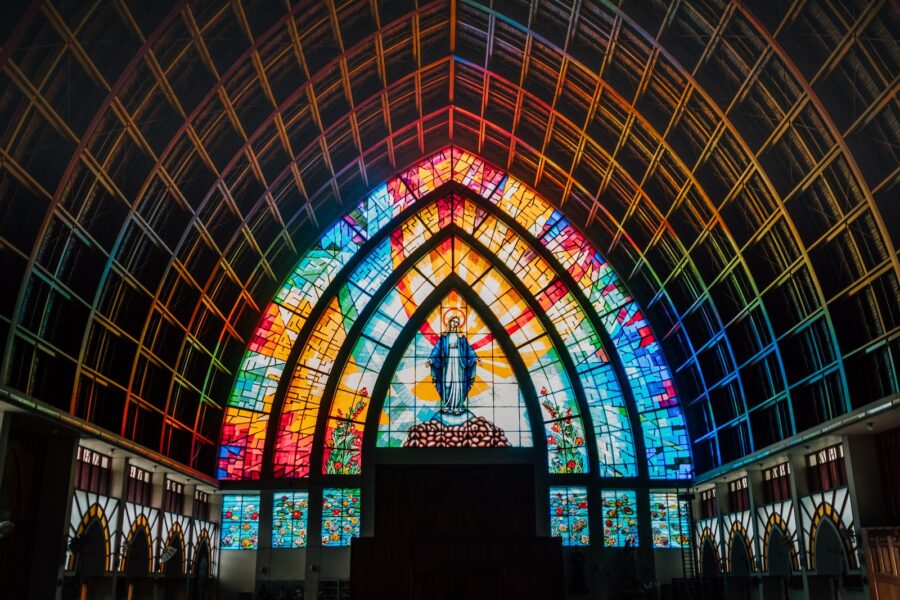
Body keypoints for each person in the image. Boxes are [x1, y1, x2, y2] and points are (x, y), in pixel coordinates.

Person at [426, 315, 478, 415]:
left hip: (459, 362)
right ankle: (447, 404)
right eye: (453, 321)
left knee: (458, 384)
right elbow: (437, 349)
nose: (455, 323)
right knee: (447, 383)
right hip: (447, 361)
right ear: (449, 322)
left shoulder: (461, 337)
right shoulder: (444, 337)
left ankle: (458, 406)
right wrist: (431, 359)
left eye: (457, 322)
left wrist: (475, 358)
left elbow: (468, 349)